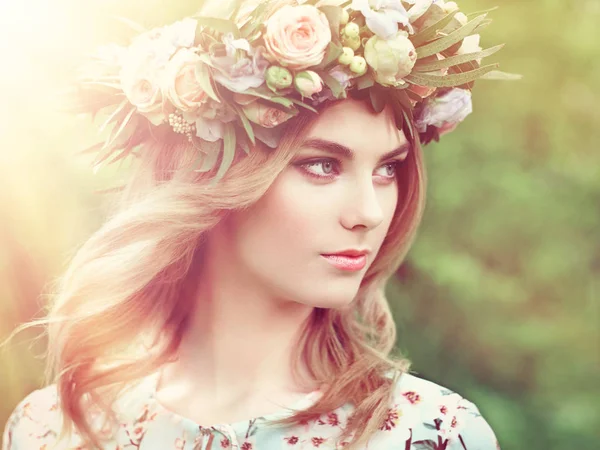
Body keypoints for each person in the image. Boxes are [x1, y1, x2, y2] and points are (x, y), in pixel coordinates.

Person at [2, 0, 517, 449]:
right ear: (210, 174)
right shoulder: (54, 428)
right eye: (322, 164)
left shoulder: (430, 433)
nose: (369, 212)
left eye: (387, 169)